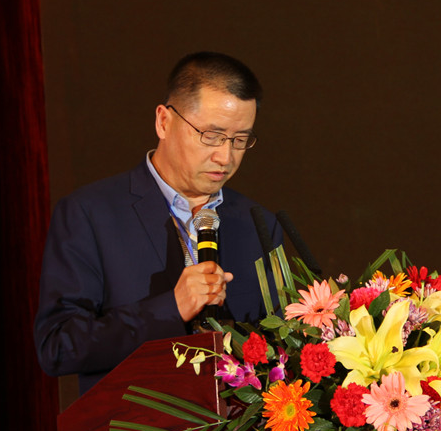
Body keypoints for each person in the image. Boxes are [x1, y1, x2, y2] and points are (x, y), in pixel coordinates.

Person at [34, 51, 283, 394]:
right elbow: (58, 347)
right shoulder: (90, 214)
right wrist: (171, 308)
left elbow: (279, 347)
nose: (225, 157)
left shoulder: (258, 224)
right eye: (211, 135)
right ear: (164, 122)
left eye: (240, 140)